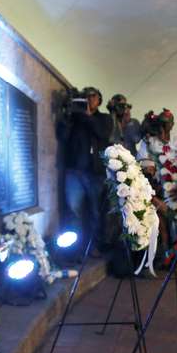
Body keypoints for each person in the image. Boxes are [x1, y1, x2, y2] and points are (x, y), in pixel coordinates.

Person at [56, 86, 113, 252]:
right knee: (74, 210)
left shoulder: (104, 118)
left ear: (99, 100)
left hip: (95, 172)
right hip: (74, 171)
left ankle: (93, 248)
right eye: (85, 97)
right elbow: (63, 136)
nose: (89, 99)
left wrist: (87, 115)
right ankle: (75, 249)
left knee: (95, 212)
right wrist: (68, 116)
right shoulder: (74, 118)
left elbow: (103, 134)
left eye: (92, 96)